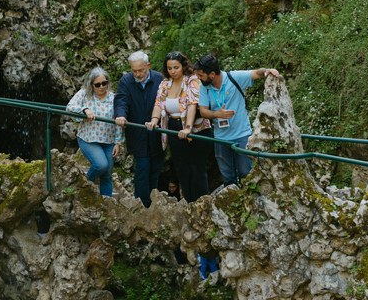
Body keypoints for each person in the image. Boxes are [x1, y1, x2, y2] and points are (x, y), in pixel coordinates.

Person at [193, 54, 279, 187]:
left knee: (246, 174)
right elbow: (203, 111)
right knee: (227, 177)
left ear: (212, 74)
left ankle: (249, 198)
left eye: (200, 75)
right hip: (221, 139)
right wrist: (217, 114)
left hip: (242, 135)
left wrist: (267, 71)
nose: (198, 78)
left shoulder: (233, 78)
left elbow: (256, 73)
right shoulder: (204, 88)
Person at [145, 52, 211, 203]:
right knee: (182, 168)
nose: (173, 71)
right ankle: (188, 202)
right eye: (169, 68)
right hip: (174, 127)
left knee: (197, 168)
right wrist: (154, 121)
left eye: (176, 67)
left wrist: (188, 128)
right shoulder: (165, 83)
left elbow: (192, 104)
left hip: (197, 128)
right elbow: (158, 104)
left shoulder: (192, 81)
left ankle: (201, 204)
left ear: (183, 66)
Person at [114, 51, 165, 207]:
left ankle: (153, 202)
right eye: (134, 71)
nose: (137, 74)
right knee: (142, 168)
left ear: (148, 66)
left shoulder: (160, 79)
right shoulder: (126, 81)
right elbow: (121, 100)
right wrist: (121, 115)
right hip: (137, 133)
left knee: (155, 169)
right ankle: (142, 204)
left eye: (141, 70)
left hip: (157, 133)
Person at [66, 67, 123, 197]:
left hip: (109, 141)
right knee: (101, 165)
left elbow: (119, 121)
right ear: (91, 84)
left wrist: (118, 143)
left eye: (104, 83)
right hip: (88, 139)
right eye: (97, 84)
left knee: (107, 174)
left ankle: (106, 201)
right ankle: (82, 184)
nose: (101, 87)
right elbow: (69, 107)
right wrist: (84, 110)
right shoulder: (84, 93)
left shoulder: (114, 98)